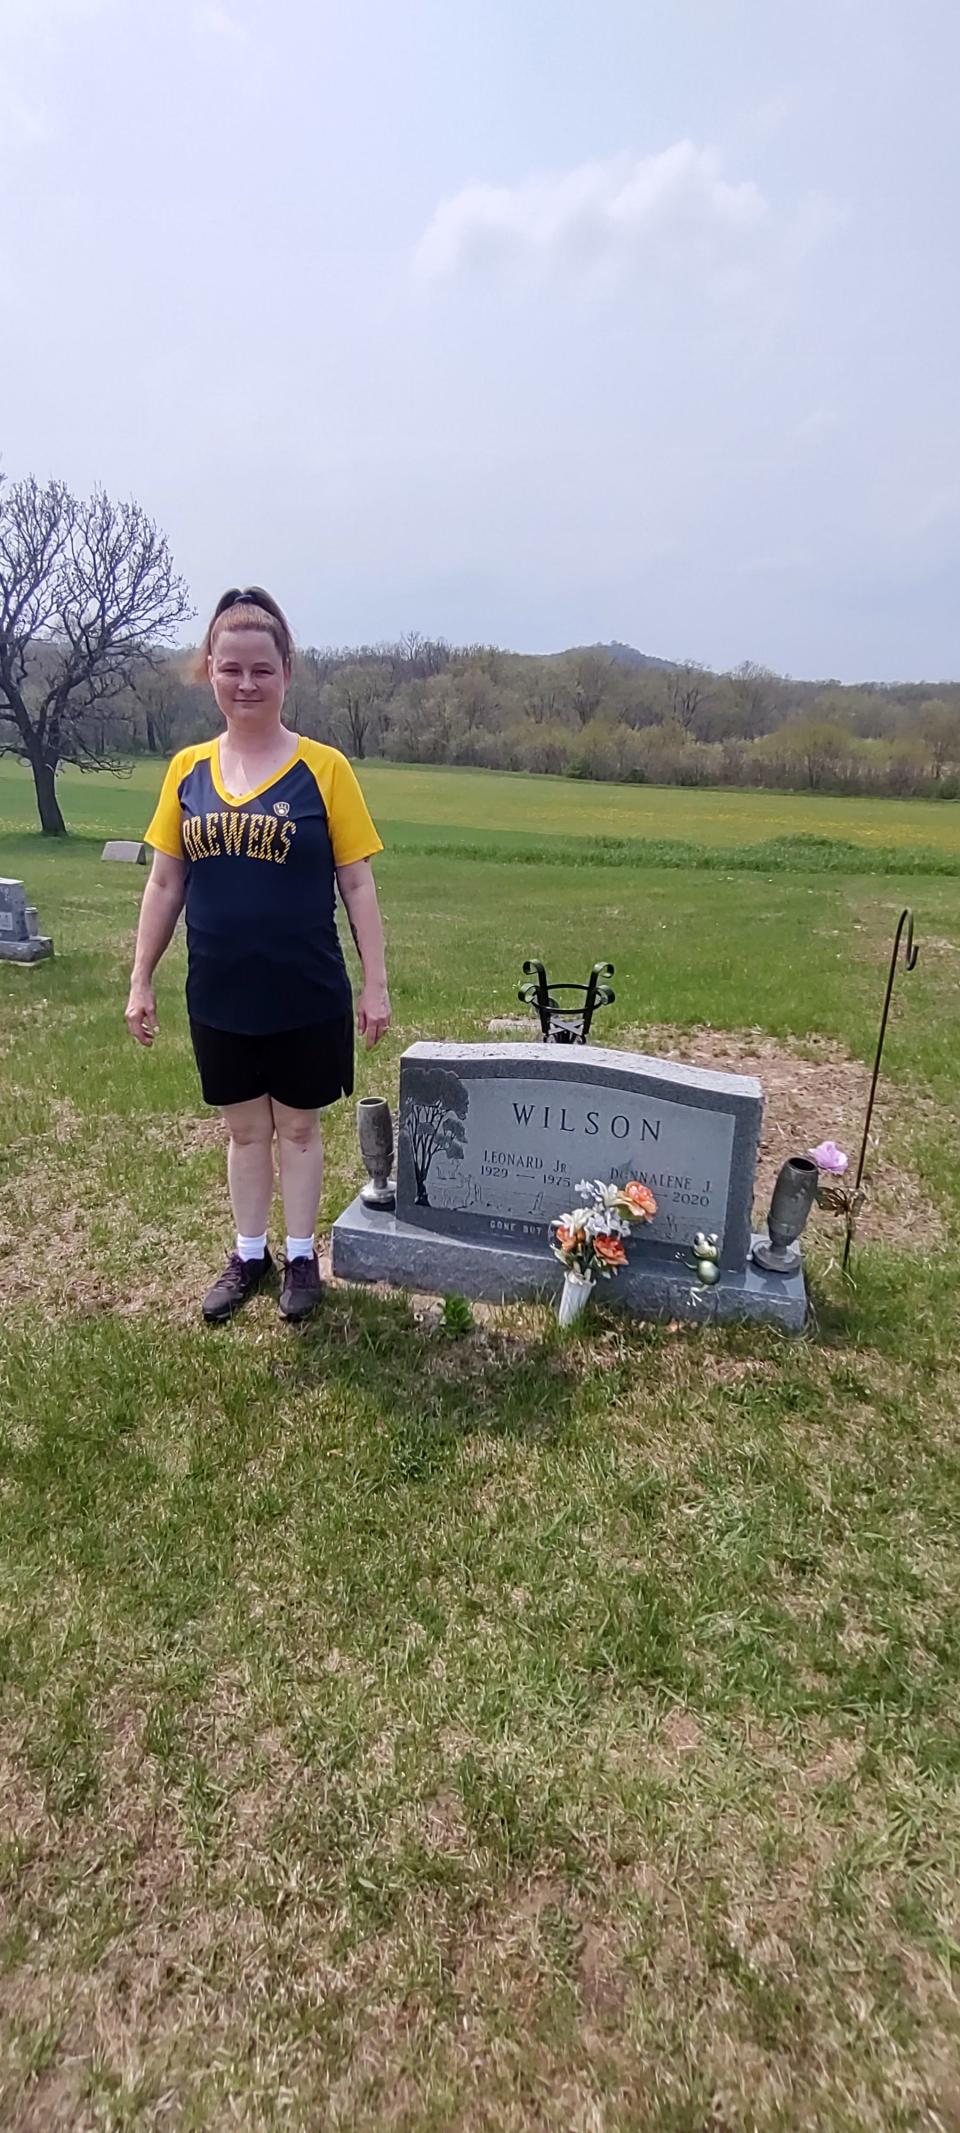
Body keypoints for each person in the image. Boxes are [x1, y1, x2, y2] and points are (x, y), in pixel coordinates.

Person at [125, 586, 390, 1324]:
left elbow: (358, 883)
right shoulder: (186, 771)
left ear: (286, 672)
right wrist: (140, 978)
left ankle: (302, 1254)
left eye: (261, 670)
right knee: (244, 1130)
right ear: (209, 668)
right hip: (221, 991)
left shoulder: (325, 769)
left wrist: (376, 984)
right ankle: (250, 1253)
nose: (246, 683)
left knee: (299, 1128)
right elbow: (165, 880)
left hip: (305, 989)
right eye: (231, 668)